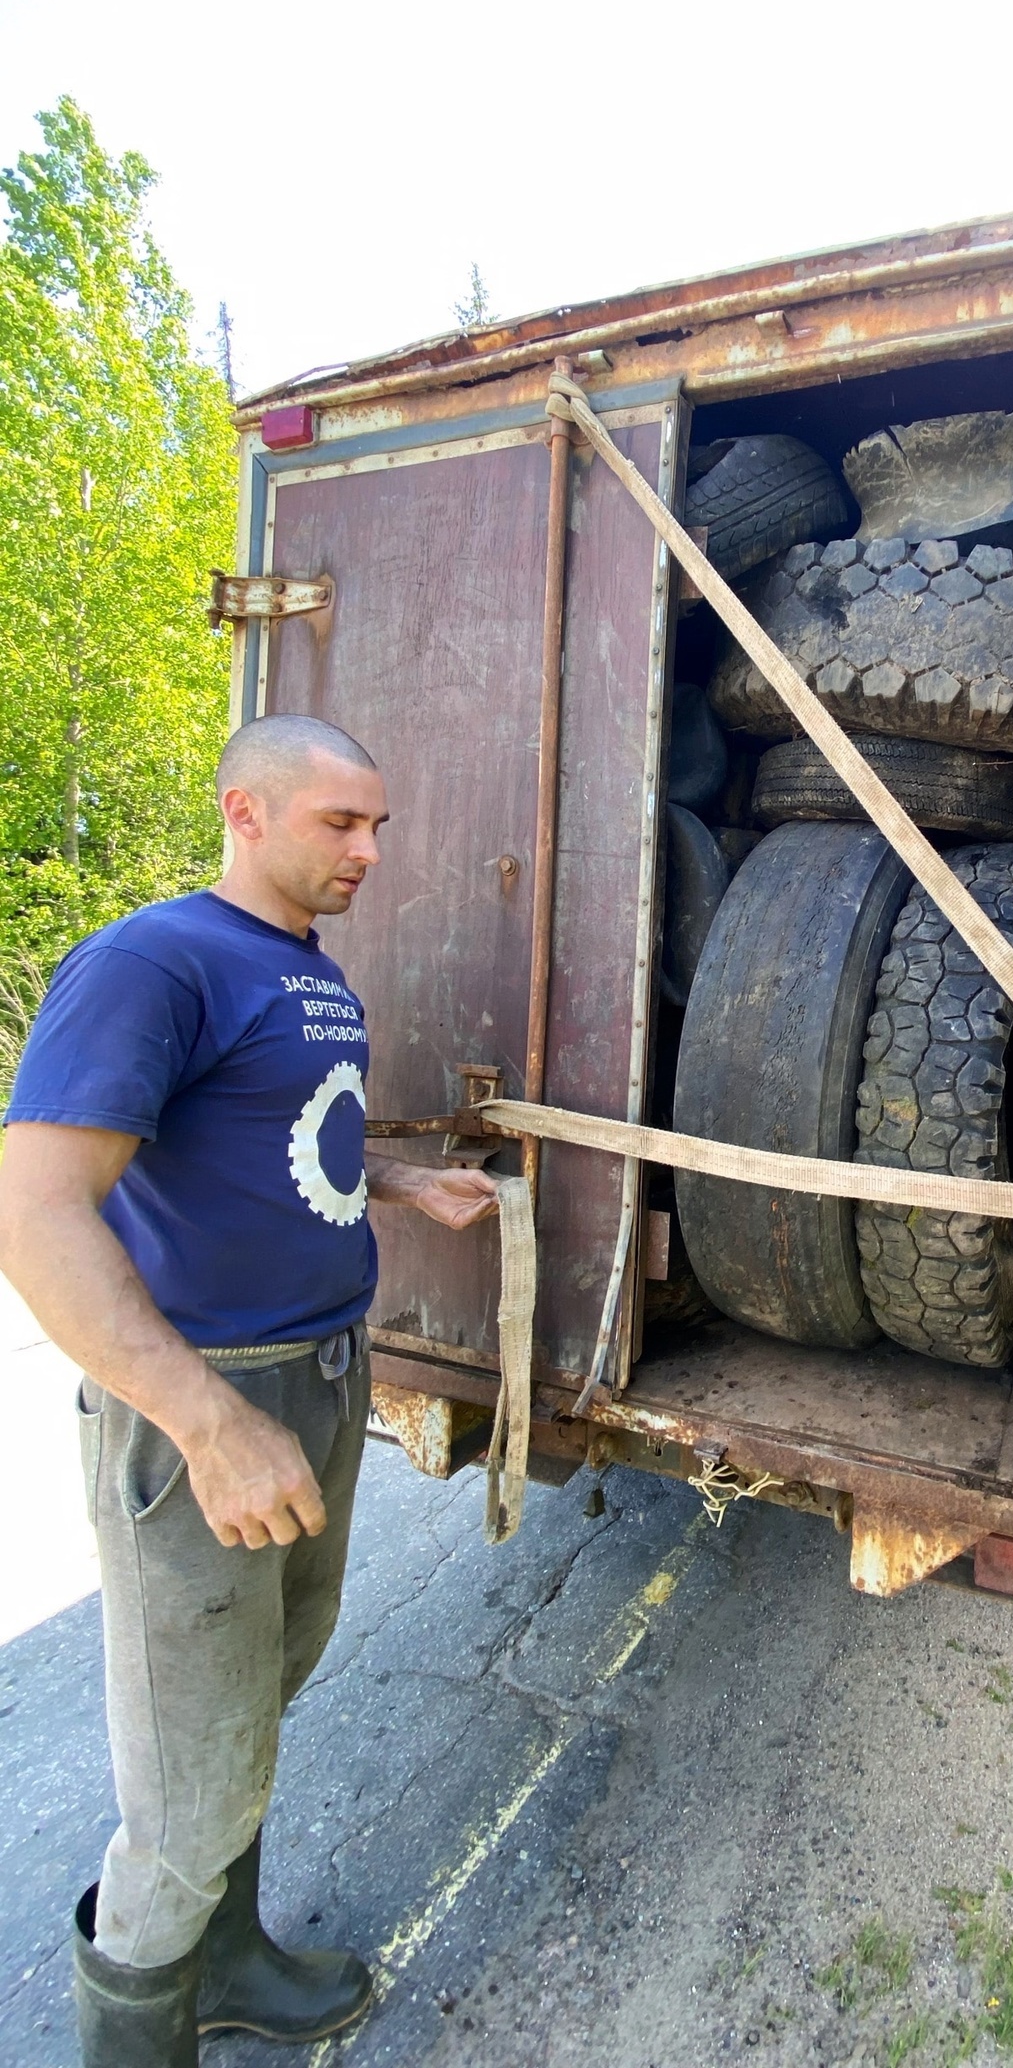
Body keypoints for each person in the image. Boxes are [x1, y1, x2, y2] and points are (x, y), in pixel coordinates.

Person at [0, 714, 500, 2068]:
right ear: (244, 812)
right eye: (342, 823)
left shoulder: (306, 974)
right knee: (191, 1769)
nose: (371, 852)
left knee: (255, 1695)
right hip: (205, 1403)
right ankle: (136, 2035)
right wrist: (209, 1423)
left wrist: (399, 1183)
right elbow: (36, 1216)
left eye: (379, 826)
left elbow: (277, 1138)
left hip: (321, 1381)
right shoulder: (153, 961)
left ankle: (224, 1962)